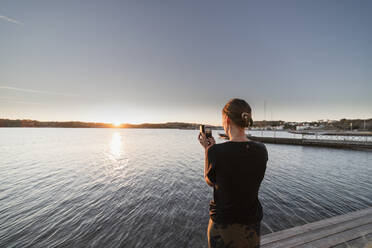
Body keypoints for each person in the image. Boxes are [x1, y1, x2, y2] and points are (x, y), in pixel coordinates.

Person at [198, 98, 268, 248]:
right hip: (252, 223)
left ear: (227, 120)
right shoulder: (262, 150)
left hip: (224, 225)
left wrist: (208, 151)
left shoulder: (216, 152)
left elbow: (210, 180)